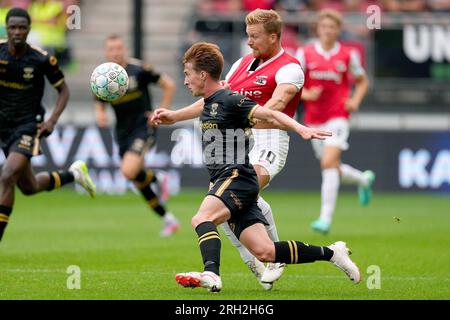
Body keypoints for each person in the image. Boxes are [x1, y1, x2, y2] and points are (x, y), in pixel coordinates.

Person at [151, 42, 361, 292]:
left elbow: (270, 115)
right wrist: (173, 116)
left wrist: (301, 128)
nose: (185, 81)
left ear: (203, 74)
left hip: (236, 176)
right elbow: (203, 107)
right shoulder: (210, 101)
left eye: (187, 74)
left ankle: (212, 274)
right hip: (232, 180)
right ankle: (333, 253)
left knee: (202, 218)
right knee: (266, 251)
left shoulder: (231, 100)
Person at [171, 9, 305, 290]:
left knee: (235, 195)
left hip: (270, 142)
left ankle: (272, 256)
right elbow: (213, 102)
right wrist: (173, 116)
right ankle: (258, 259)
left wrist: (246, 114)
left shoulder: (290, 67)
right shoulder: (241, 64)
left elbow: (277, 106)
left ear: (273, 36)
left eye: (255, 37)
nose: (249, 42)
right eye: (247, 36)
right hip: (239, 144)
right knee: (228, 201)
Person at [0, 8, 96, 242]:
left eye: (22, 28)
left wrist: (52, 120)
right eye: (13, 27)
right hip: (3, 125)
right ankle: (73, 174)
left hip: (28, 126)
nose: (17, 32)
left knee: (7, 175)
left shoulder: (41, 59)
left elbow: (63, 90)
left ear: (29, 30)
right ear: (7, 28)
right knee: (29, 187)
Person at [296, 9, 375, 235]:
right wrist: (306, 94)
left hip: (338, 116)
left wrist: (354, 101)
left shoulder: (348, 55)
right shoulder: (305, 53)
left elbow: (362, 82)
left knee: (328, 163)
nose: (328, 31)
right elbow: (290, 84)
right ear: (318, 29)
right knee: (331, 166)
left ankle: (325, 219)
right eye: (324, 27)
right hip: (313, 120)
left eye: (332, 27)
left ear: (338, 30)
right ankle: (362, 180)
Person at [94, 34, 180, 237]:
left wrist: (161, 111)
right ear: (106, 52)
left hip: (143, 126)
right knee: (138, 180)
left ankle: (158, 179)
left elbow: (169, 84)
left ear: (124, 49)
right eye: (111, 49)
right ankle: (168, 219)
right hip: (122, 132)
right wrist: (100, 113)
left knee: (128, 171)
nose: (115, 52)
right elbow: (98, 99)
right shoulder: (103, 75)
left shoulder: (139, 69)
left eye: (118, 48)